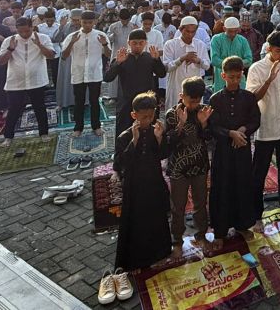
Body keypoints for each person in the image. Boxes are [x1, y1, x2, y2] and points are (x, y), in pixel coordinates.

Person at [111, 92, 171, 271]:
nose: (148, 120)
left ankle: (160, 252)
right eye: (144, 117)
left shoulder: (156, 131)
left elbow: (163, 155)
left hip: (153, 182)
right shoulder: (124, 137)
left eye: (151, 116)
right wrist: (135, 141)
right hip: (135, 186)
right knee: (136, 221)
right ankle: (137, 259)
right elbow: (121, 163)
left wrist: (160, 138)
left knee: (157, 218)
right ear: (134, 115)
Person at [246, 31, 280, 220]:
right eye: (278, 51)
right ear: (269, 48)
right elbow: (252, 98)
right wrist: (269, 80)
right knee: (259, 172)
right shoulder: (257, 68)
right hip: (266, 128)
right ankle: (255, 211)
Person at [209, 57, 262, 248]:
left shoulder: (248, 98)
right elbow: (212, 127)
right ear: (223, 76)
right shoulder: (215, 99)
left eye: (238, 77)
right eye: (231, 77)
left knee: (242, 185)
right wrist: (230, 133)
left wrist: (243, 131)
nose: (234, 81)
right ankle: (220, 231)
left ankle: (243, 225)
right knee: (222, 188)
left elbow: (256, 120)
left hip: (242, 150)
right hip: (222, 152)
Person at [165, 77, 214, 257]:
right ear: (181, 96)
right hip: (178, 167)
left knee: (201, 203)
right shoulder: (172, 114)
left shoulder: (204, 111)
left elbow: (209, 138)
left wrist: (203, 123)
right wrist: (181, 124)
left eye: (197, 101)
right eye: (190, 101)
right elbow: (168, 142)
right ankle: (177, 241)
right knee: (178, 205)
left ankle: (201, 235)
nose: (193, 105)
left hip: (199, 165)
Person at [0, 17, 55, 146]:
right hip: (16, 82)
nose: (24, 34)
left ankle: (44, 133)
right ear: (16, 30)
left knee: (39, 108)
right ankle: (8, 137)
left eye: (27, 31)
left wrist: (39, 45)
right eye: (21, 31)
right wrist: (10, 49)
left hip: (36, 80)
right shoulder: (9, 41)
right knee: (14, 109)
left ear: (32, 28)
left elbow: (51, 55)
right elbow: (0, 61)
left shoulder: (43, 38)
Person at [103, 30, 166, 136]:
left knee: (148, 133)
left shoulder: (150, 57)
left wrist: (157, 60)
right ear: (129, 43)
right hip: (126, 103)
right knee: (124, 133)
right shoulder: (122, 58)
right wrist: (117, 63)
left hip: (147, 102)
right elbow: (108, 78)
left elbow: (162, 74)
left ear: (145, 43)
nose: (137, 46)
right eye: (134, 43)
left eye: (141, 43)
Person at [61, 11, 112, 137]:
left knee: (95, 101)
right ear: (80, 22)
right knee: (79, 102)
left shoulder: (101, 35)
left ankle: (96, 126)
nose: (87, 25)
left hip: (95, 74)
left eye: (90, 22)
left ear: (94, 22)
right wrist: (72, 42)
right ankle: (78, 128)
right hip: (78, 73)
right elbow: (64, 56)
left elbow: (109, 54)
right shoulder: (72, 36)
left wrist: (104, 44)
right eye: (85, 22)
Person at [162, 16, 210, 110]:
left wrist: (198, 60)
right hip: (176, 86)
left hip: (195, 88)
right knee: (175, 114)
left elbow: (207, 66)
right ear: (180, 29)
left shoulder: (200, 45)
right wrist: (182, 59)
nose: (190, 34)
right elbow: (167, 67)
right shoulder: (170, 44)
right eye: (187, 31)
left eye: (193, 32)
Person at [209, 17, 252, 94]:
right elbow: (214, 60)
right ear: (224, 28)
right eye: (230, 31)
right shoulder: (216, 39)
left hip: (240, 82)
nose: (233, 34)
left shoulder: (243, 40)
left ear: (239, 29)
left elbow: (249, 60)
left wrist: (234, 65)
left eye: (235, 31)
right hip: (221, 82)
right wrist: (233, 64)